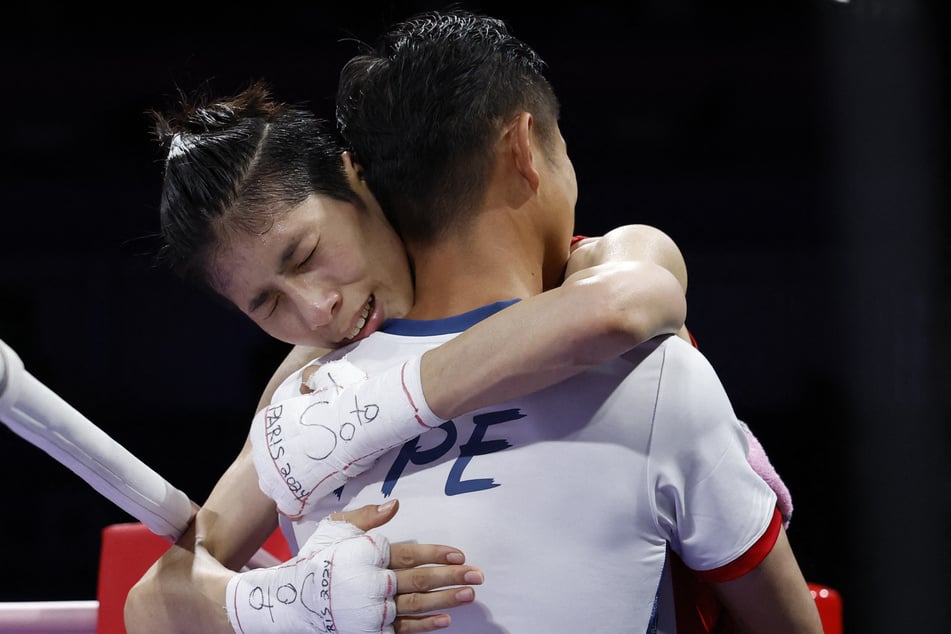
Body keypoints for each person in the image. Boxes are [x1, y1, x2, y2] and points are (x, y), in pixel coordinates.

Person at [243, 8, 822, 632]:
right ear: (524, 147)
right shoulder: (652, 374)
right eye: (562, 142)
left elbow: (168, 588)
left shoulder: (298, 423)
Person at [124, 88, 693, 632]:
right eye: (268, 303)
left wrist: (366, 418)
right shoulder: (307, 392)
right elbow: (151, 604)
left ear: (353, 178)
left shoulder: (574, 270)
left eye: (307, 255)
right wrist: (289, 603)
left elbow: (634, 298)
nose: (317, 310)